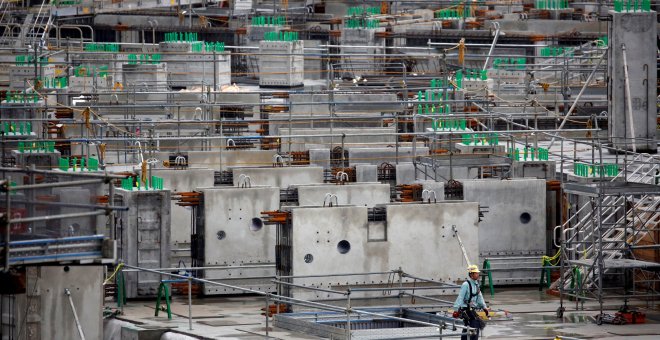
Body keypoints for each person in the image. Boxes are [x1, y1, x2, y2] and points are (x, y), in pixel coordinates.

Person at [453, 265, 489, 340]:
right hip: (466, 309)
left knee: (468, 326)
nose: (478, 275)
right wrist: (456, 310)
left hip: (472, 309)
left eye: (477, 273)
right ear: (471, 274)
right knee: (475, 325)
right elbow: (460, 297)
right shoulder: (466, 285)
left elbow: (480, 297)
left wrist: (484, 307)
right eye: (476, 273)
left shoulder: (476, 285)